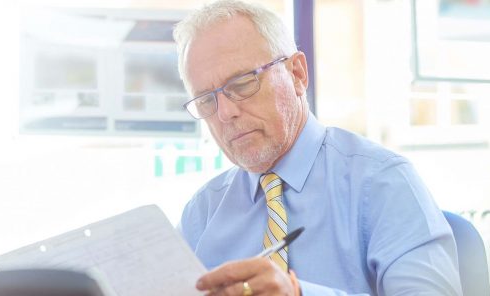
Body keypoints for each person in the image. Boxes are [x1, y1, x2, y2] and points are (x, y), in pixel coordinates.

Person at [173, 0, 463, 295]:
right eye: (206, 100)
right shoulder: (202, 212)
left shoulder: (382, 182)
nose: (224, 113)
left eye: (243, 83)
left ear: (297, 74)